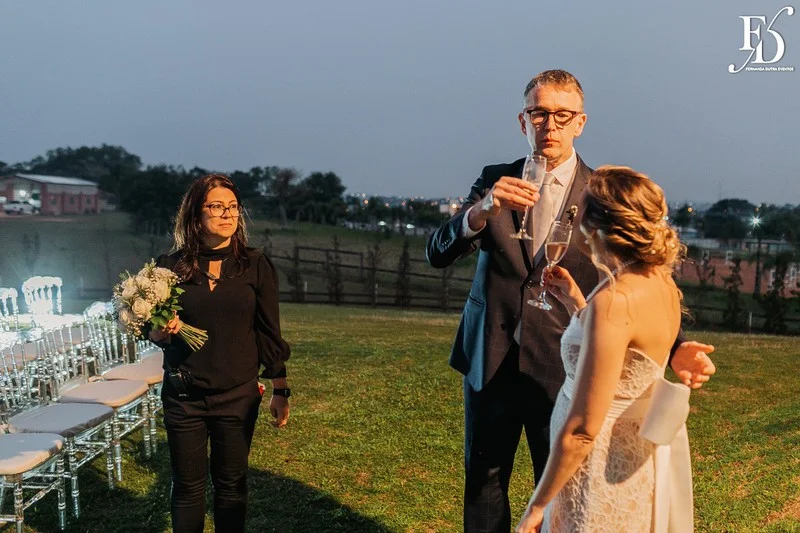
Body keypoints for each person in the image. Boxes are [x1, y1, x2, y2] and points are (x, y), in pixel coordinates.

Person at [425, 69, 715, 532]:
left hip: (561, 366)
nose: (550, 125)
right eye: (539, 113)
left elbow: (634, 276)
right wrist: (480, 212)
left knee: (557, 483)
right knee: (483, 481)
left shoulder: (602, 191)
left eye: (563, 115)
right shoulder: (493, 179)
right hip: (489, 355)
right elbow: (437, 253)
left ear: (581, 122)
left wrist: (676, 344)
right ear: (524, 120)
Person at [515, 166, 693, 532]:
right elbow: (621, 356)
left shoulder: (615, 300)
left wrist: (538, 505)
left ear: (595, 228)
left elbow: (582, 428)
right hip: (629, 462)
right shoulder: (658, 281)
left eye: (579, 209)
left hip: (594, 470)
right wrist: (575, 303)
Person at [149, 174, 291, 533]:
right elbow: (152, 331)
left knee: (231, 488)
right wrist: (159, 332)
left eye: (233, 207)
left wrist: (280, 387)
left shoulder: (255, 265)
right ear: (196, 216)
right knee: (187, 487)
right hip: (184, 396)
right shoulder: (169, 268)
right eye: (216, 206)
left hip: (237, 396)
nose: (227, 214)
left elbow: (268, 330)